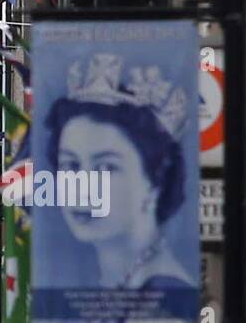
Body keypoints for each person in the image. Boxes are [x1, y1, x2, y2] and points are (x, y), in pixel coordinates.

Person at [42, 55, 193, 292]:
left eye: (105, 168)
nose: (83, 187)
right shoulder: (116, 282)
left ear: (156, 179)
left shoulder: (163, 298)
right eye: (71, 166)